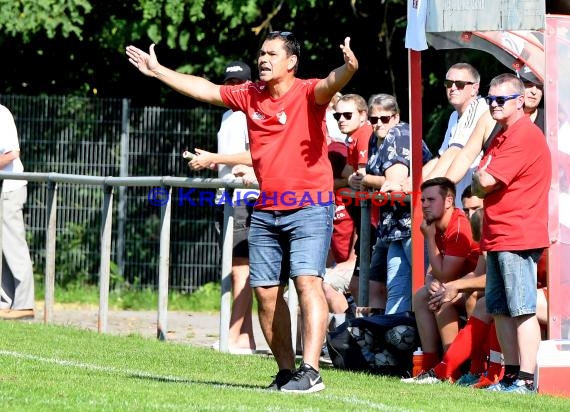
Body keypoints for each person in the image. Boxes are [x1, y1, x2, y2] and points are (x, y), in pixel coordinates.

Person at [126, 31, 360, 393]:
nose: (263, 59)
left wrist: (348, 68)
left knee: (307, 283)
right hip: (266, 208)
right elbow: (203, 89)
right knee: (265, 293)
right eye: (261, 53)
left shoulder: (307, 92)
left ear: (291, 62)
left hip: (311, 206)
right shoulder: (250, 94)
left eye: (271, 54)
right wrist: (158, 71)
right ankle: (286, 373)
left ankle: (311, 371)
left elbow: (331, 83)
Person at [472, 73, 551, 394]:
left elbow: (485, 181)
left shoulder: (523, 135)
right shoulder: (503, 134)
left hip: (518, 234)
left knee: (522, 309)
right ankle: (511, 375)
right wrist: (481, 178)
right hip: (499, 235)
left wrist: (481, 178)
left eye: (500, 100)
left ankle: (527, 379)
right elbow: (481, 177)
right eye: (490, 99)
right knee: (501, 308)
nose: (493, 105)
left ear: (520, 102)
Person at [188, 61, 257, 354]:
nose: (233, 89)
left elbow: (257, 155)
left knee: (241, 271)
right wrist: (213, 160)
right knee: (235, 269)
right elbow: (233, 156)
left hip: (244, 199)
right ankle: (245, 337)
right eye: (228, 83)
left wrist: (216, 157)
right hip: (226, 197)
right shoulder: (229, 115)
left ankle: (232, 336)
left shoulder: (250, 114)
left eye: (239, 83)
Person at [360, 94, 432, 314]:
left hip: (416, 224)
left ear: (396, 117)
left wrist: (364, 179)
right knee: (397, 289)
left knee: (428, 287)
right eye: (374, 119)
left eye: (385, 118)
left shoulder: (399, 134)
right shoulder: (376, 137)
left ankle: (432, 345)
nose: (379, 124)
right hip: (394, 227)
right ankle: (396, 339)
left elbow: (395, 183)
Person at [410, 177, 481, 373]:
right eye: (423, 200)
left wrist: (429, 239)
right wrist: (430, 280)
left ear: (449, 201)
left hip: (476, 286)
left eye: (431, 200)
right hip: (463, 283)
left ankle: (450, 368)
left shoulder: (457, 228)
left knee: (441, 298)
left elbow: (445, 274)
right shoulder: (437, 225)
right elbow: (436, 271)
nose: (424, 205)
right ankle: (428, 365)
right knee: (422, 295)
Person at [445, 72, 544, 185]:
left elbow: (486, 182)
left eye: (540, 87)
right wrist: (444, 188)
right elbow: (466, 156)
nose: (534, 91)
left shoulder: (551, 123)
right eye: (528, 84)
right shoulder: (490, 117)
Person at [422, 63, 488, 206]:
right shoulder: (454, 116)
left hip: (476, 202)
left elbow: (454, 152)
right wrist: (413, 181)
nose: (452, 88)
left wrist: (427, 188)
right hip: (460, 199)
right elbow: (441, 157)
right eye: (448, 83)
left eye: (459, 84)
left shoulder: (478, 108)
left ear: (475, 88)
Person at [331, 93, 374, 306]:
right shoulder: (353, 138)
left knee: (368, 286)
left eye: (347, 115)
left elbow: (361, 177)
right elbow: (349, 176)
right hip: (371, 221)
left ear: (363, 115)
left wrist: (350, 179)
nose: (341, 120)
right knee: (361, 285)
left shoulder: (365, 134)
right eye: (337, 115)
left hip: (378, 221)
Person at [0, 104, 35, 320]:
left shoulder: (1, 114)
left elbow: (12, 153)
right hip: (2, 188)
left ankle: (24, 304)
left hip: (10, 189)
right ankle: (5, 302)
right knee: (3, 249)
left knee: (14, 247)